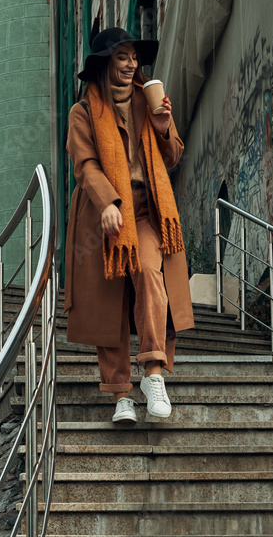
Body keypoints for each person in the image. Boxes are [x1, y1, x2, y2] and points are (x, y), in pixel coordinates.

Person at [64, 27, 194, 424]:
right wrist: (107, 203)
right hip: (101, 216)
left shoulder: (146, 101)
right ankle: (121, 393)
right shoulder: (83, 111)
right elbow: (84, 165)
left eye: (134, 57)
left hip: (147, 211)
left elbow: (172, 157)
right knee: (111, 303)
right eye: (123, 56)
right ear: (105, 63)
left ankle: (152, 372)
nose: (132, 64)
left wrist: (164, 124)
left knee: (150, 274)